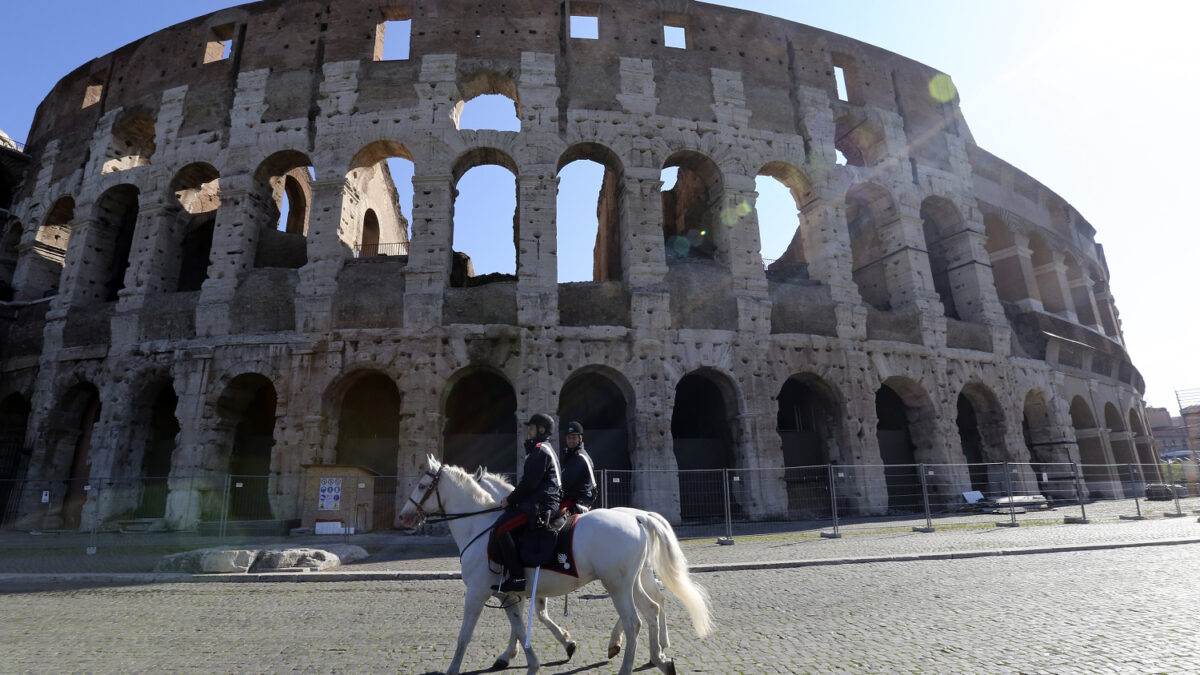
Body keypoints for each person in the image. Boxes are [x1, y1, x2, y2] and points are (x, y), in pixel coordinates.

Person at [491, 413, 562, 593]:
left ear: (541, 430)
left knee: (502, 528)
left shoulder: (539, 449)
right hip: (543, 498)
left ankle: (517, 576)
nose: (528, 432)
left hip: (542, 502)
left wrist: (510, 499)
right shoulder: (544, 449)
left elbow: (530, 484)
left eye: (531, 428)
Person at [560, 421, 597, 514]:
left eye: (574, 438)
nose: (571, 440)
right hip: (572, 498)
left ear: (580, 438)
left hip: (580, 501)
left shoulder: (580, 458)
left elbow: (566, 482)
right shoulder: (570, 456)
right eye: (569, 438)